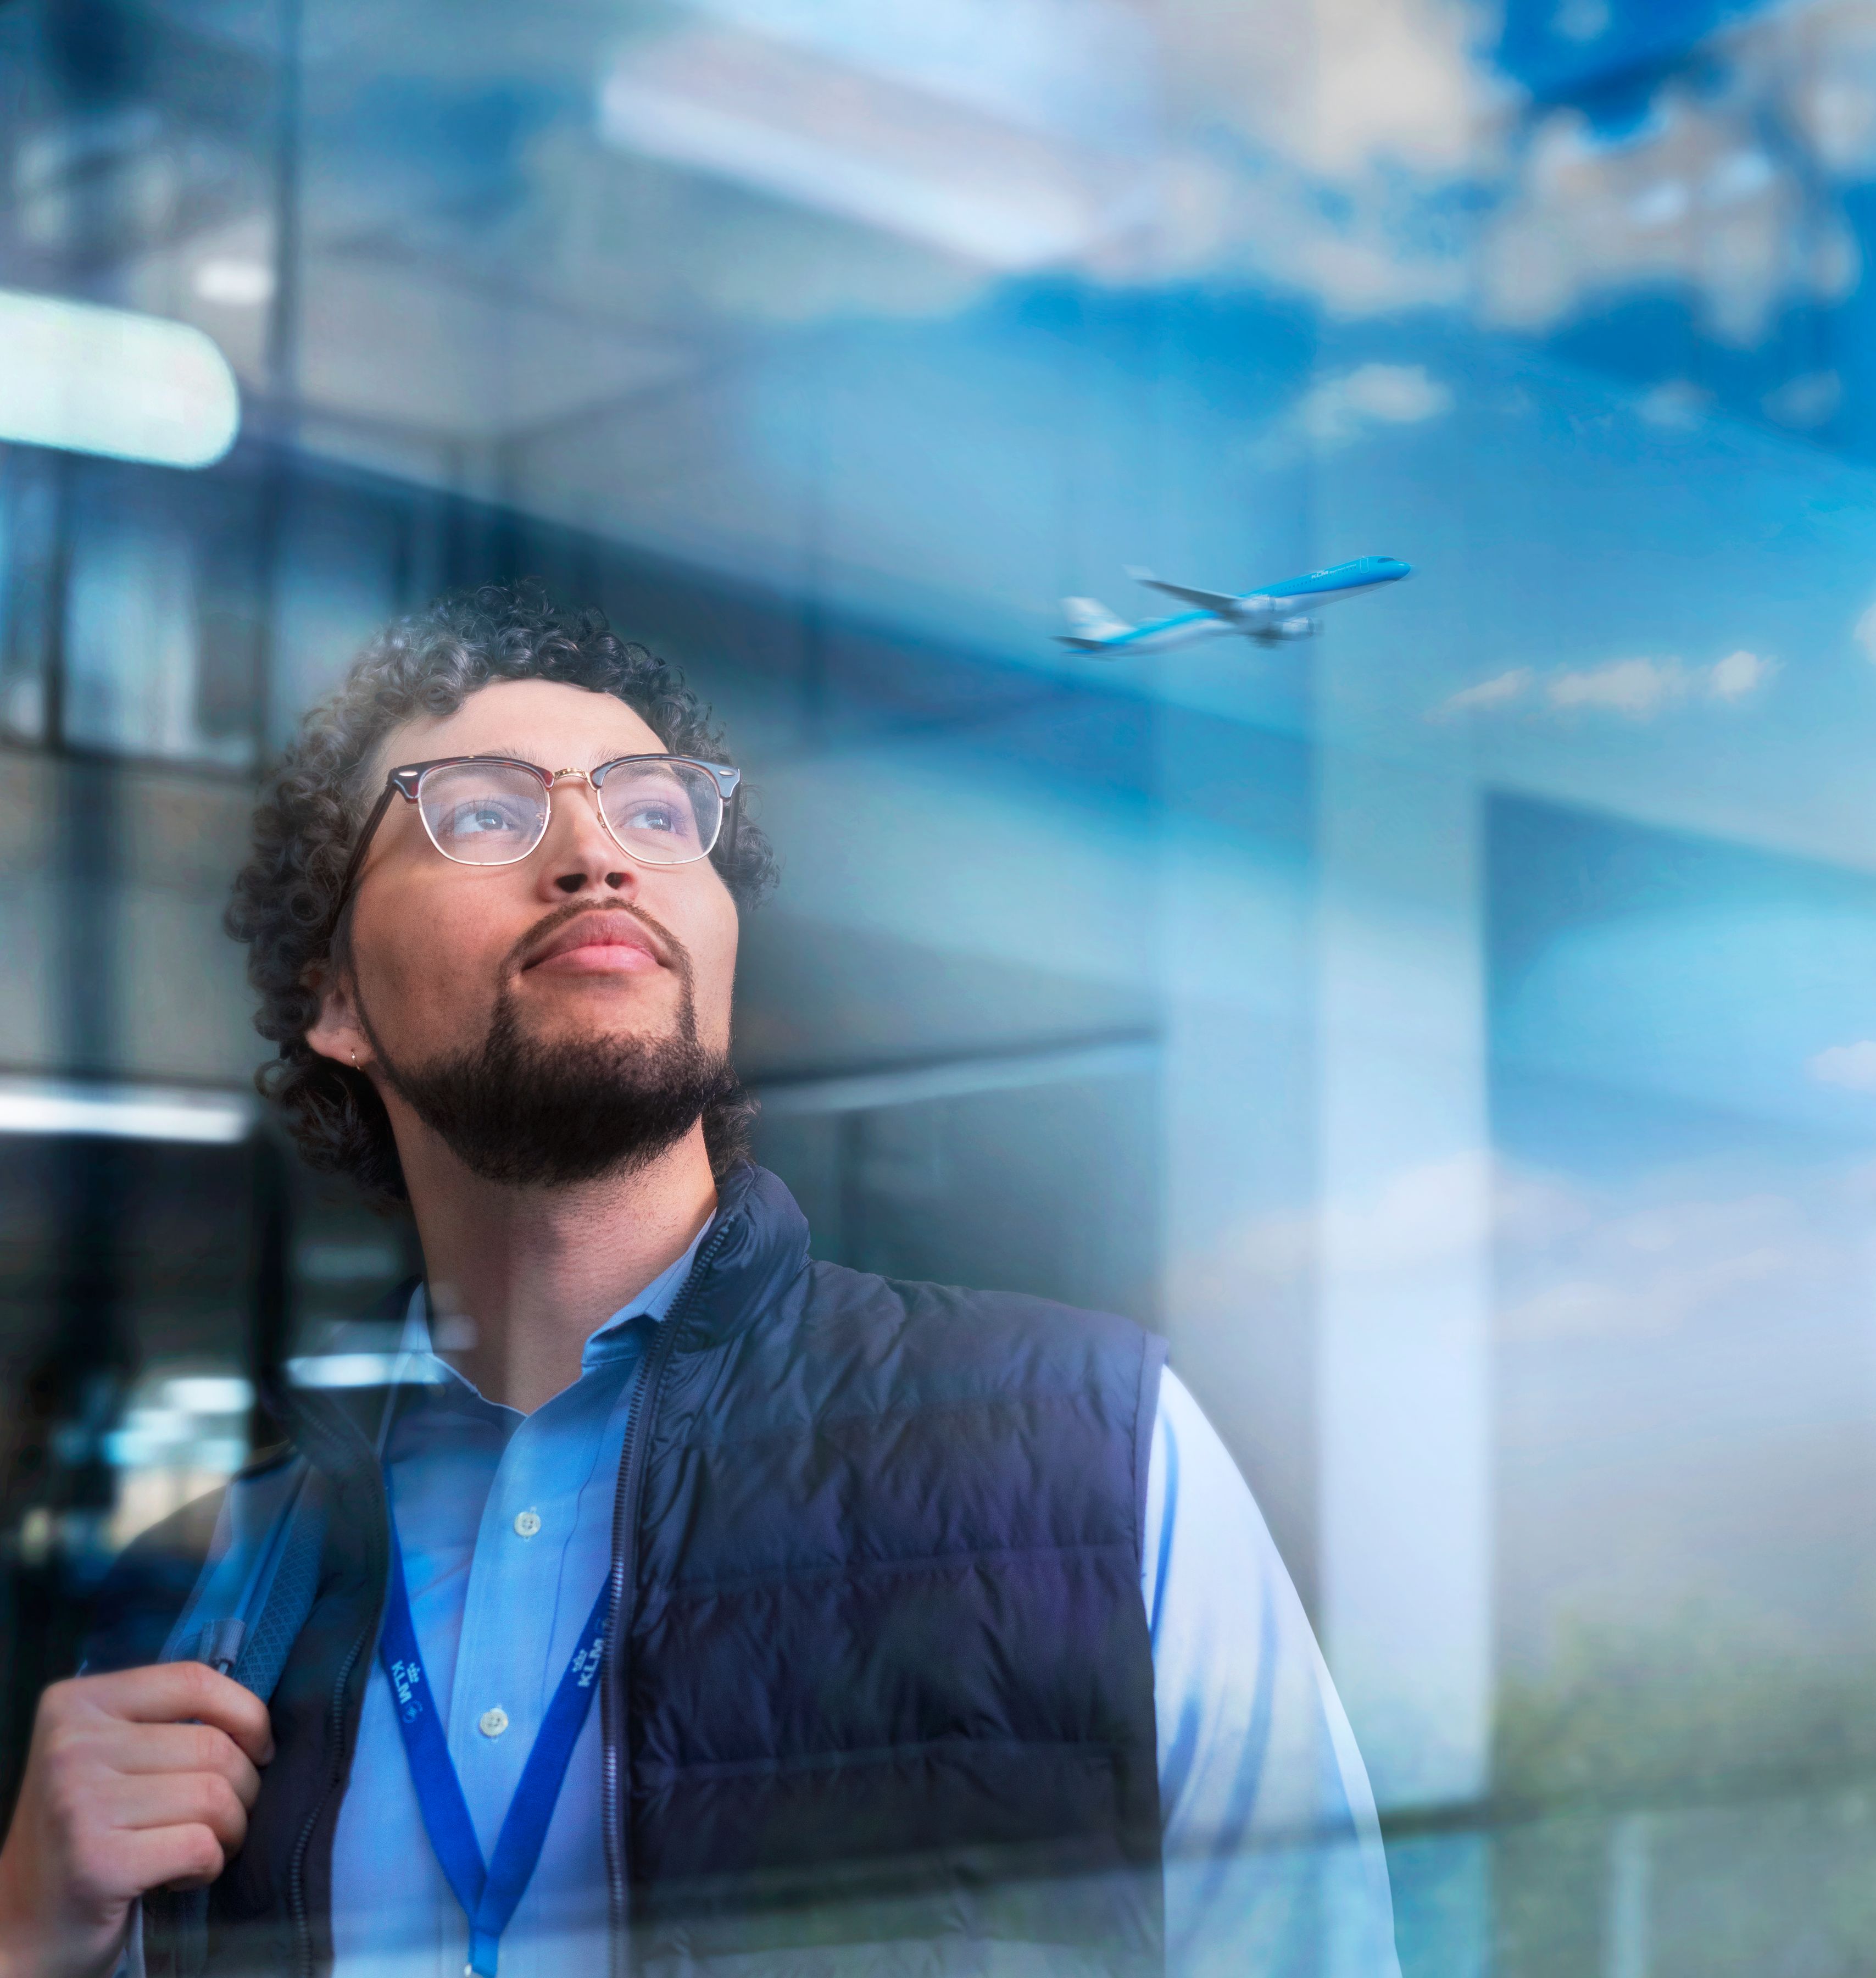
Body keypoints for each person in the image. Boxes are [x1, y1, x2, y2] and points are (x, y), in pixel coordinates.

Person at [0, 587, 1398, 1978]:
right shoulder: (203, 1607)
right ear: (337, 1003)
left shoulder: (1091, 1452)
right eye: (483, 812)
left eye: (655, 812)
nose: (595, 853)